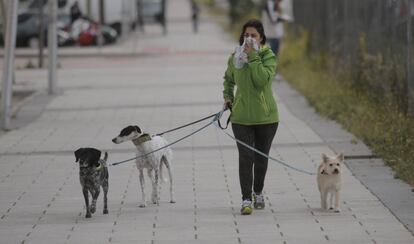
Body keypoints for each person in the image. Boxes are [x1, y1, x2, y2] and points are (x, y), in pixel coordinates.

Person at [222, 19, 279, 215]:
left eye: (254, 35)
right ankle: (246, 199)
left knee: (261, 159)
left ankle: (258, 191)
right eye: (246, 35)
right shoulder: (235, 58)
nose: (249, 39)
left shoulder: (268, 56)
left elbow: (261, 80)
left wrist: (253, 57)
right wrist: (228, 98)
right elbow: (228, 80)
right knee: (246, 158)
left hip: (266, 118)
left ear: (261, 37)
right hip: (241, 118)